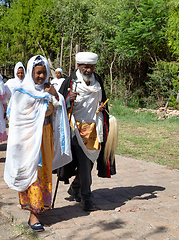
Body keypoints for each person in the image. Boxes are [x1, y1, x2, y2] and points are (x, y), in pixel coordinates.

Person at [4, 55, 72, 231]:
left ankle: (40, 207)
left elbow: (57, 108)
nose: (41, 76)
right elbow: (16, 116)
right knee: (32, 173)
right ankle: (33, 214)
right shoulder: (21, 92)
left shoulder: (49, 91)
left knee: (44, 174)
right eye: (38, 73)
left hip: (46, 139)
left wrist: (54, 95)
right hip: (28, 141)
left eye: (44, 73)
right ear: (30, 72)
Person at [58, 52, 116, 211]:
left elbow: (102, 99)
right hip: (75, 129)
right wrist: (68, 99)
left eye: (91, 67)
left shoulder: (98, 81)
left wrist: (102, 107)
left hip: (95, 128)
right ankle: (86, 197)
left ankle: (75, 187)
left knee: (89, 163)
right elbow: (59, 104)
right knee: (84, 162)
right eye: (86, 67)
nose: (89, 70)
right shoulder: (70, 82)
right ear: (78, 66)